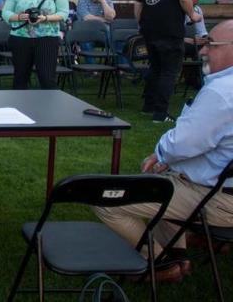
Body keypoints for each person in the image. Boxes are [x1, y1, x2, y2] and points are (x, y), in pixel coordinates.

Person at [94, 20, 233, 283]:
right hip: (221, 188)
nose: (203, 52)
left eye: (211, 45)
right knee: (166, 178)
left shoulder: (223, 93)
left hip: (221, 200)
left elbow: (183, 142)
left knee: (107, 199)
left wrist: (159, 155)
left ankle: (160, 262)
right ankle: (178, 252)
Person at [136, 0, 201, 123]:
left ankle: (148, 107)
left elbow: (139, 3)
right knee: (169, 71)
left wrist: (140, 23)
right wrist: (192, 15)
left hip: (149, 29)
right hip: (169, 29)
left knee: (155, 68)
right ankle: (160, 113)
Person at [2, 0, 70, 90]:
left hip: (47, 39)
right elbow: (5, 12)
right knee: (20, 78)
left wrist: (45, 18)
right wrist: (19, 17)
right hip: (20, 39)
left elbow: (64, 13)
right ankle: (19, 108)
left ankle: (47, 109)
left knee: (46, 78)